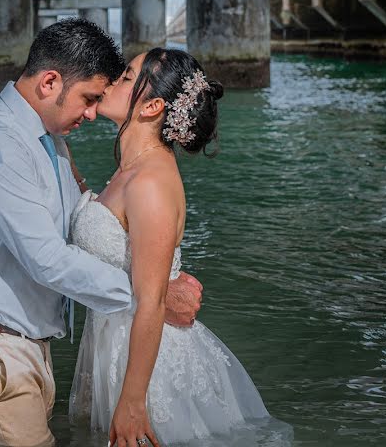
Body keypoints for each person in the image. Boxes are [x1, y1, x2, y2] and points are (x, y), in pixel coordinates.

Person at [0, 20, 203, 447]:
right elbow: (47, 259)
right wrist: (156, 298)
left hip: (23, 347)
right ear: (50, 81)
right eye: (88, 98)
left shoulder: (50, 143)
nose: (92, 112)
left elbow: (80, 217)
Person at [68, 48, 280, 447]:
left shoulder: (150, 183)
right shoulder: (131, 168)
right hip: (116, 344)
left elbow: (152, 302)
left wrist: (133, 401)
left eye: (127, 76)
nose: (114, 80)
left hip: (149, 365)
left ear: (152, 107)